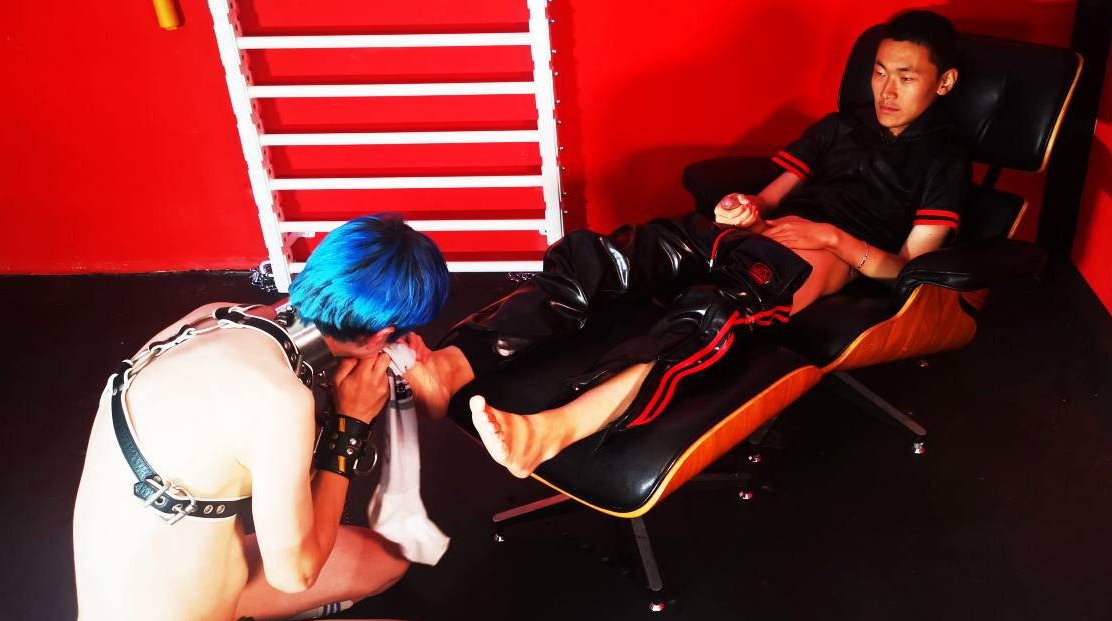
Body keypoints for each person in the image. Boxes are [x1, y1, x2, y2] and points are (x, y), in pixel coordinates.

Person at [405, 9, 970, 480]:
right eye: (879, 73)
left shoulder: (942, 159)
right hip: (751, 234)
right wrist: (741, 208)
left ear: (944, 82)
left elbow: (909, 270)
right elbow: (767, 198)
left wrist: (833, 238)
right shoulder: (838, 127)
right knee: (601, 254)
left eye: (906, 77)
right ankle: (455, 366)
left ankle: (551, 432)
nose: (886, 91)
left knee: (703, 317)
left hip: (808, 262)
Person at [73, 214, 459, 621]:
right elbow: (295, 574)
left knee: (386, 559)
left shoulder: (214, 317)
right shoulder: (279, 402)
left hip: (153, 613)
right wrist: (352, 422)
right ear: (384, 334)